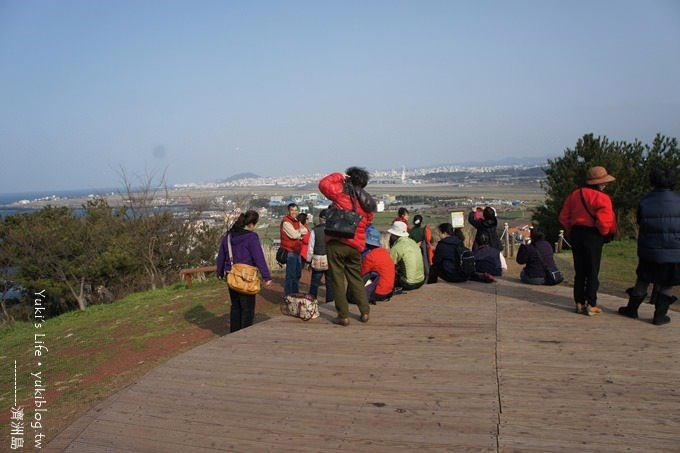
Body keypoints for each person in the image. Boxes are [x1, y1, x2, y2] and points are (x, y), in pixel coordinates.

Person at [618, 167, 680, 325]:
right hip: (674, 249)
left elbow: (641, 222)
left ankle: (632, 309)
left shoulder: (645, 201)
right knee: (667, 282)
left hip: (650, 247)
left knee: (643, 278)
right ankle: (660, 315)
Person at [319, 167, 377, 326]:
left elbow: (323, 184)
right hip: (355, 244)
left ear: (349, 179)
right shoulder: (369, 203)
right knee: (356, 278)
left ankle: (343, 315)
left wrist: (339, 176)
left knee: (337, 279)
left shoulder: (341, 193)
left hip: (336, 241)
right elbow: (368, 222)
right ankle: (364, 311)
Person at [559, 166, 618, 316]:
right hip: (593, 235)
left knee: (580, 270)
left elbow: (564, 217)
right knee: (592, 270)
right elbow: (605, 222)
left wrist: (570, 230)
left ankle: (579, 302)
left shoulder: (574, 195)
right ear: (600, 183)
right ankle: (591, 304)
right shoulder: (603, 198)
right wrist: (603, 234)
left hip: (577, 234)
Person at [216, 210, 273, 333]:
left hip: (231, 274)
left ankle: (234, 333)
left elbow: (221, 255)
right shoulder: (251, 237)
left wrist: (219, 272)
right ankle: (245, 333)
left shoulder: (229, 236)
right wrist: (266, 276)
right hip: (247, 276)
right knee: (248, 308)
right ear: (251, 224)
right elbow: (258, 257)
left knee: (236, 306)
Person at [361, 225, 395, 302]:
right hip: (388, 291)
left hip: (378, 293)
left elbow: (362, 273)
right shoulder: (385, 252)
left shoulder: (370, 256)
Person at [280, 203, 308, 296]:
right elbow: (293, 235)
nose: (294, 212)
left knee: (297, 275)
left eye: (296, 210)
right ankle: (288, 295)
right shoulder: (286, 222)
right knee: (291, 275)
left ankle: (295, 294)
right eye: (292, 210)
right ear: (288, 211)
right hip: (290, 251)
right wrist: (299, 233)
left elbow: (306, 231)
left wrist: (298, 233)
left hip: (297, 250)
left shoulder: (296, 221)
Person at [388, 221, 425, 291]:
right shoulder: (413, 242)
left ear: (395, 235)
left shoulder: (396, 247)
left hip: (408, 284)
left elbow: (390, 265)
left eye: (392, 234)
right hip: (421, 281)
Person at [307, 209, 334, 303]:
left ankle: (312, 303)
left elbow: (311, 247)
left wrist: (308, 260)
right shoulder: (333, 230)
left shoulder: (315, 231)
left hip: (318, 259)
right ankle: (330, 303)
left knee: (314, 283)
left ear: (320, 219)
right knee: (330, 284)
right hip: (330, 259)